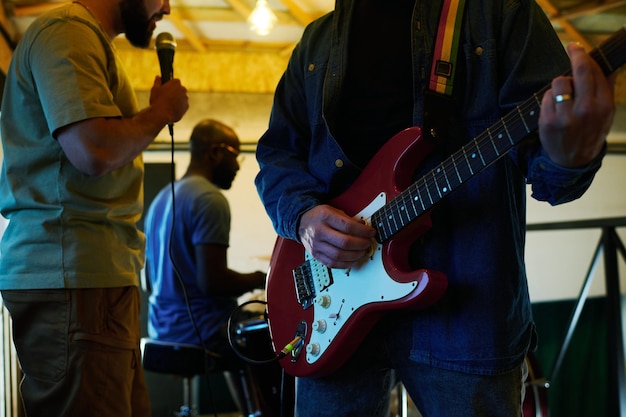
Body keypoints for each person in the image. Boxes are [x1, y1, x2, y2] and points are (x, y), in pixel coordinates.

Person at [254, 0, 616, 416]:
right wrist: (303, 219)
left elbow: (549, 172)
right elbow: (277, 153)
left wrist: (571, 157)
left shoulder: (500, 12)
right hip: (329, 307)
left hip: (467, 312)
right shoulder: (316, 42)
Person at [0, 0, 189, 416]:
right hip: (76, 273)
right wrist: (159, 113)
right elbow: (94, 149)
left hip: (91, 278)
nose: (169, 8)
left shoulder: (85, 38)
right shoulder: (67, 32)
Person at [144, 119, 278, 414]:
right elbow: (212, 282)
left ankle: (252, 409)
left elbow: (150, 280)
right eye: (235, 155)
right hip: (199, 331)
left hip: (162, 329)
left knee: (240, 322)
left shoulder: (162, 198)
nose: (238, 165)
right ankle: (264, 411)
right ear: (215, 152)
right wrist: (264, 278)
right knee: (276, 333)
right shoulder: (209, 199)